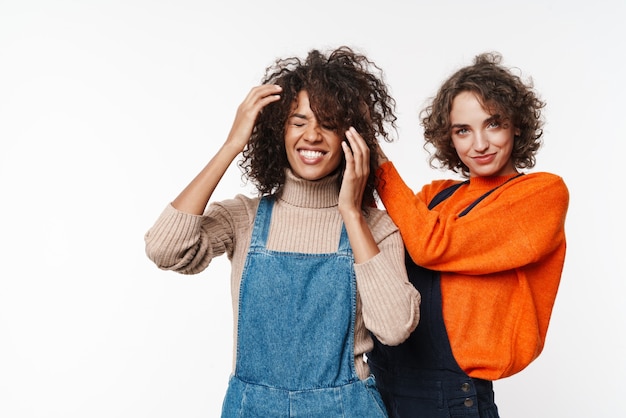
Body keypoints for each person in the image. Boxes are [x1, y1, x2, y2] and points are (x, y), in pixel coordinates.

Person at [144, 46, 421, 417]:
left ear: (350, 137)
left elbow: (394, 328)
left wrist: (352, 214)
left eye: (329, 122)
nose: (313, 135)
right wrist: (231, 145)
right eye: (299, 121)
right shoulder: (243, 218)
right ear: (278, 130)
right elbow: (164, 249)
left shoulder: (375, 227)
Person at [364, 52, 569, 417]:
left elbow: (430, 246)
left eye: (493, 124)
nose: (479, 144)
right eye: (463, 130)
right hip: (381, 382)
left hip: (451, 398)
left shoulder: (540, 195)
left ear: (517, 124)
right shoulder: (436, 197)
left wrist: (377, 160)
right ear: (450, 136)